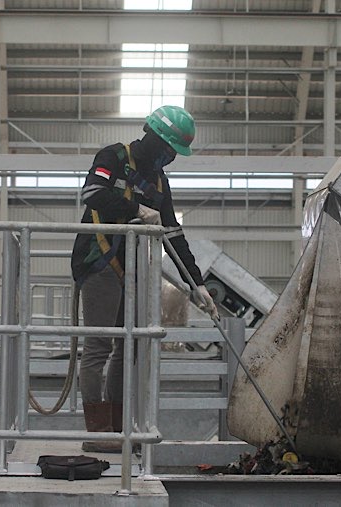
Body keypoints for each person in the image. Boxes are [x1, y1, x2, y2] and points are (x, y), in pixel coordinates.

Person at [71, 105, 219, 452]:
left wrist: (195, 283)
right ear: (152, 138)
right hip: (99, 261)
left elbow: (173, 233)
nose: (169, 158)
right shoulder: (113, 157)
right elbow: (92, 193)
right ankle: (98, 434)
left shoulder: (158, 182)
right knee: (99, 346)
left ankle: (119, 429)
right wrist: (135, 209)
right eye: (167, 149)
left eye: (174, 154)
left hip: (132, 270)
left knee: (128, 345)